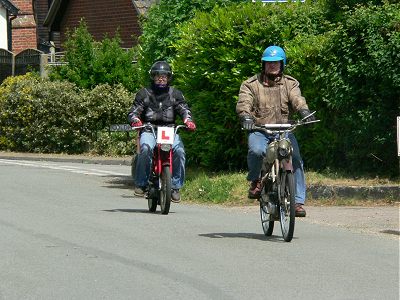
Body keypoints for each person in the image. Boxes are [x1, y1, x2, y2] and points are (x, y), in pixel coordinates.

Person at [236, 45, 315, 217]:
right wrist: (246, 117)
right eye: (269, 63)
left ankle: (298, 202)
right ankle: (256, 181)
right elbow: (244, 103)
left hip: (283, 131)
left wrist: (304, 111)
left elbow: (297, 98)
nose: (272, 66)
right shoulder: (250, 84)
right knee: (257, 151)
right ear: (263, 65)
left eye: (276, 62)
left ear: (282, 64)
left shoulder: (290, 83)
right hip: (260, 129)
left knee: (294, 158)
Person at [127, 61, 196, 202]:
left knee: (180, 151)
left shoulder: (175, 94)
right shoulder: (144, 93)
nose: (161, 78)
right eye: (158, 75)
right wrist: (135, 119)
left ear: (169, 78)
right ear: (152, 77)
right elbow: (133, 112)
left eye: (164, 76)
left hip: (169, 130)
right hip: (148, 128)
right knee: (145, 148)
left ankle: (175, 187)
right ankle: (141, 184)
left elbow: (184, 110)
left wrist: (188, 120)